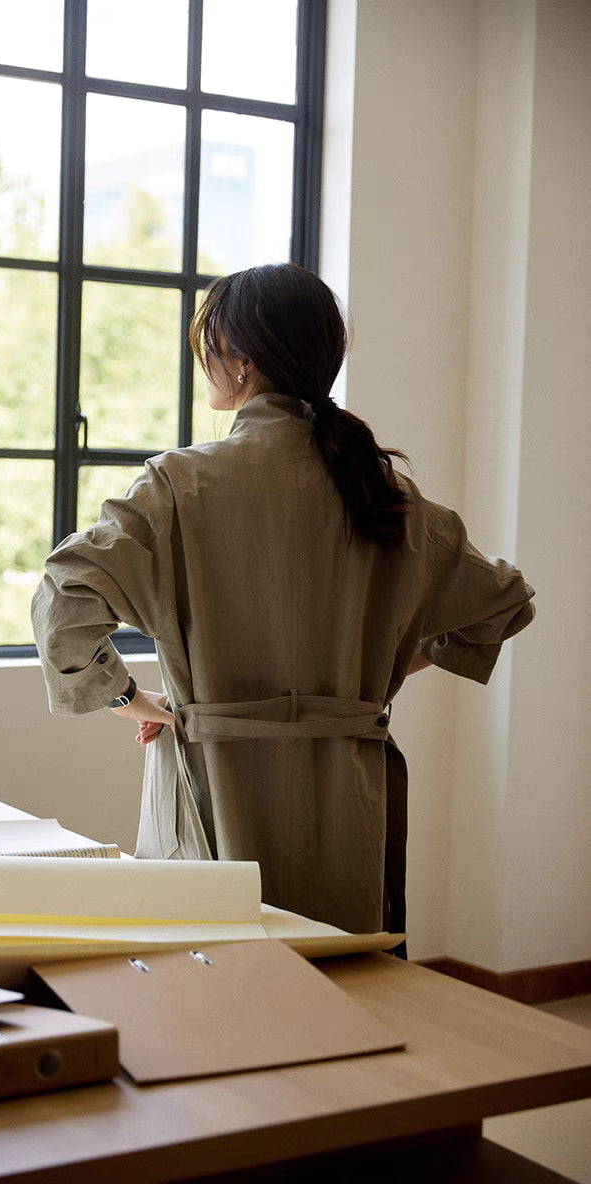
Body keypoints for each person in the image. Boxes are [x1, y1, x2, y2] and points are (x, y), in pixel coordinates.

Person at [31, 262, 534, 948]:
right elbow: (502, 604)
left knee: (213, 988)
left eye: (210, 345)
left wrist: (136, 702)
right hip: (348, 804)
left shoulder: (180, 486)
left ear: (240, 360)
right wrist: (369, 681)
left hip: (215, 791)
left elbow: (66, 600)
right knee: (341, 995)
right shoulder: (391, 498)